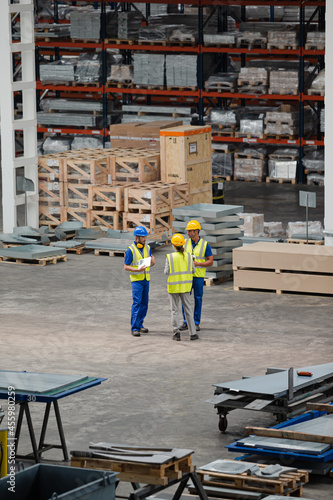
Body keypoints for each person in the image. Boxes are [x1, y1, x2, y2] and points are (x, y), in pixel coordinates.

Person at [179, 220, 213, 332]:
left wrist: (198, 264)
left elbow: (210, 261)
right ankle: (186, 321)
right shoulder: (184, 243)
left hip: (198, 276)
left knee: (198, 299)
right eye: (188, 231)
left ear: (196, 231)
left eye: (190, 231)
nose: (188, 233)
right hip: (187, 276)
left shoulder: (205, 245)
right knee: (185, 299)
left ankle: (196, 322)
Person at [164, 233, 198, 341]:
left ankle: (176, 333)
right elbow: (193, 270)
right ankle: (193, 333)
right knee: (188, 309)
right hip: (185, 287)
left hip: (173, 288)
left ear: (173, 245)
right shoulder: (188, 256)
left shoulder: (170, 257)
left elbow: (166, 272)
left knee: (174, 310)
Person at [124, 226, 155, 337]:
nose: (145, 239)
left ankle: (140, 324)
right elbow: (126, 266)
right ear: (137, 237)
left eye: (145, 237)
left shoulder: (148, 247)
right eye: (143, 237)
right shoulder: (130, 250)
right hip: (136, 281)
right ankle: (135, 328)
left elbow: (150, 263)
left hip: (146, 280)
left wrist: (152, 262)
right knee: (137, 303)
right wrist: (137, 269)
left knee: (144, 304)